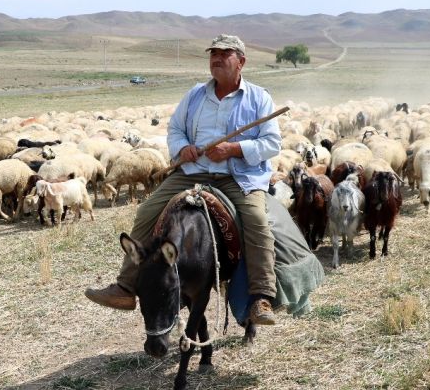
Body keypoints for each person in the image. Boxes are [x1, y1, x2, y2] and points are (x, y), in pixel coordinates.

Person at [85, 34, 282, 325]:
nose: (216, 58)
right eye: (213, 53)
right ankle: (126, 286)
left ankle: (262, 296)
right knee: (146, 212)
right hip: (193, 172)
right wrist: (183, 148)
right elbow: (175, 130)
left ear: (241, 61)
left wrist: (234, 148)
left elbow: (272, 143)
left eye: (224, 53)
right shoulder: (195, 96)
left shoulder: (259, 98)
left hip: (237, 176)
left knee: (256, 219)